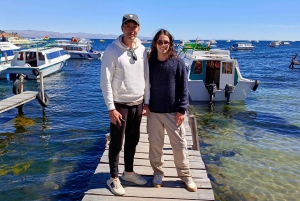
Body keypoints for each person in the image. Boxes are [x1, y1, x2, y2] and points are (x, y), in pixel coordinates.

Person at [100, 13, 150, 196]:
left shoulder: (143, 50)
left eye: (134, 26)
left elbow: (147, 78)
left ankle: (128, 172)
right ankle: (113, 178)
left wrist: (147, 102)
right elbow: (105, 82)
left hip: (137, 103)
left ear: (139, 28)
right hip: (119, 105)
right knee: (116, 143)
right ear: (122, 28)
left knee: (133, 141)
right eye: (127, 26)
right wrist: (111, 108)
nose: (131, 29)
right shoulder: (112, 51)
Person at [147, 29, 197, 192]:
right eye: (160, 42)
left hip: (172, 113)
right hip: (154, 112)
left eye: (166, 42)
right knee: (155, 145)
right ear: (155, 43)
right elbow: (144, 85)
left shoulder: (178, 63)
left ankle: (185, 175)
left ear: (170, 44)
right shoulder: (150, 62)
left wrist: (182, 110)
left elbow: (184, 88)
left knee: (179, 145)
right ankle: (158, 173)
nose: (163, 45)